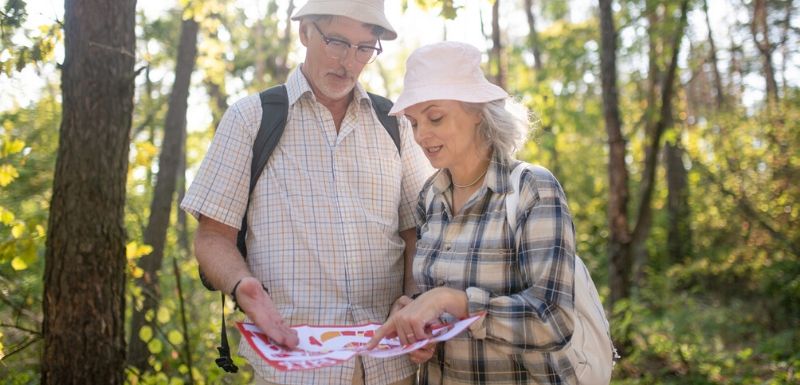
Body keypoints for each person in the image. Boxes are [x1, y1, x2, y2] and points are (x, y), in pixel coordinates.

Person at [180, 1, 432, 383]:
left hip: (389, 366)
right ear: (304, 33)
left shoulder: (395, 124)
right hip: (291, 365)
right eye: (336, 41)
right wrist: (242, 286)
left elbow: (417, 232)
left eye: (364, 47)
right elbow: (213, 237)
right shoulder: (252, 118)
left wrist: (415, 300)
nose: (348, 60)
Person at [368, 41, 580, 384]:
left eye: (435, 117)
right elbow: (434, 307)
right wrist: (418, 324)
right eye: (414, 122)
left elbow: (554, 322)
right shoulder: (430, 199)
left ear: (478, 110)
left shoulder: (531, 189)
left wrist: (456, 302)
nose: (422, 135)